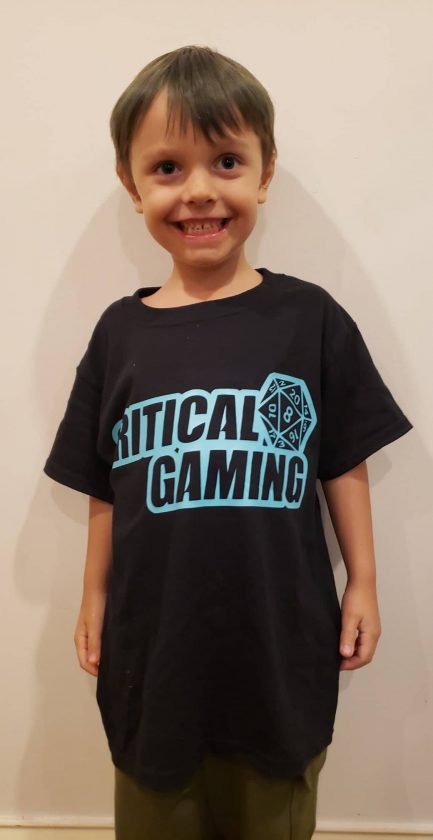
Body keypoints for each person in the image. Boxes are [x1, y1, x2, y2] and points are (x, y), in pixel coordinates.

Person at [43, 45, 413, 840]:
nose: (199, 190)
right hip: (153, 651)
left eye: (226, 161)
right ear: (131, 185)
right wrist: (92, 595)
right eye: (167, 168)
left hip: (278, 644)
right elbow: (104, 481)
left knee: (272, 806)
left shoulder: (307, 319)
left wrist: (363, 580)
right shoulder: (118, 333)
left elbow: (340, 458)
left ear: (264, 171)